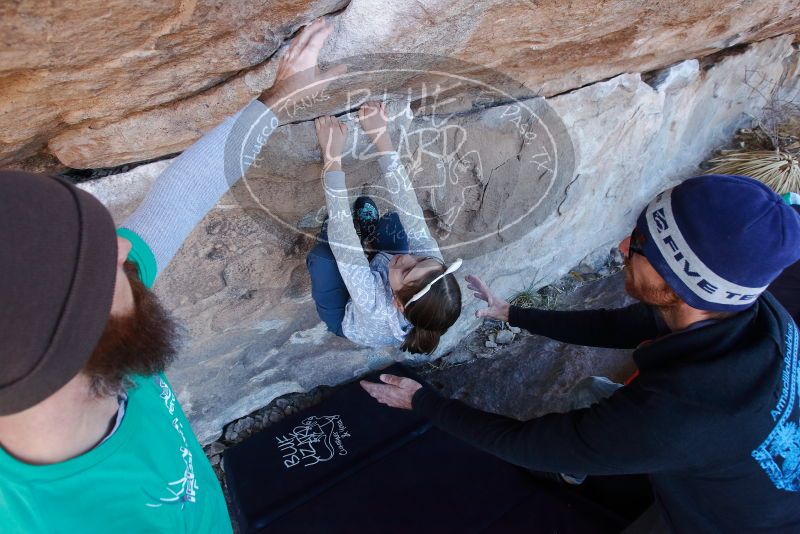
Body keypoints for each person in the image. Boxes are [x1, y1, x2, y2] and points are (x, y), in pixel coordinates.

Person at [0, 19, 343, 532]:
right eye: (94, 265)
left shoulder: (72, 339)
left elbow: (177, 201)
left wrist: (276, 99)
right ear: (67, 352)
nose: (120, 247)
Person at [362, 174, 800, 532]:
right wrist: (513, 314)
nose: (622, 248)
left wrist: (423, 401)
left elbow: (533, 445)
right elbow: (624, 325)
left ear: (679, 287)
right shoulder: (746, 310)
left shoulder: (676, 417)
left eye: (640, 246)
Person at [307, 101, 462, 354]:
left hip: (346, 314)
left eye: (406, 271)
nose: (406, 259)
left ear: (398, 304)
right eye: (419, 259)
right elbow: (410, 210)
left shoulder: (375, 304)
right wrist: (381, 137)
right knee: (394, 223)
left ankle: (354, 243)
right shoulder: (430, 267)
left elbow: (343, 239)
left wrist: (332, 156)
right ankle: (369, 238)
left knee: (325, 255)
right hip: (379, 282)